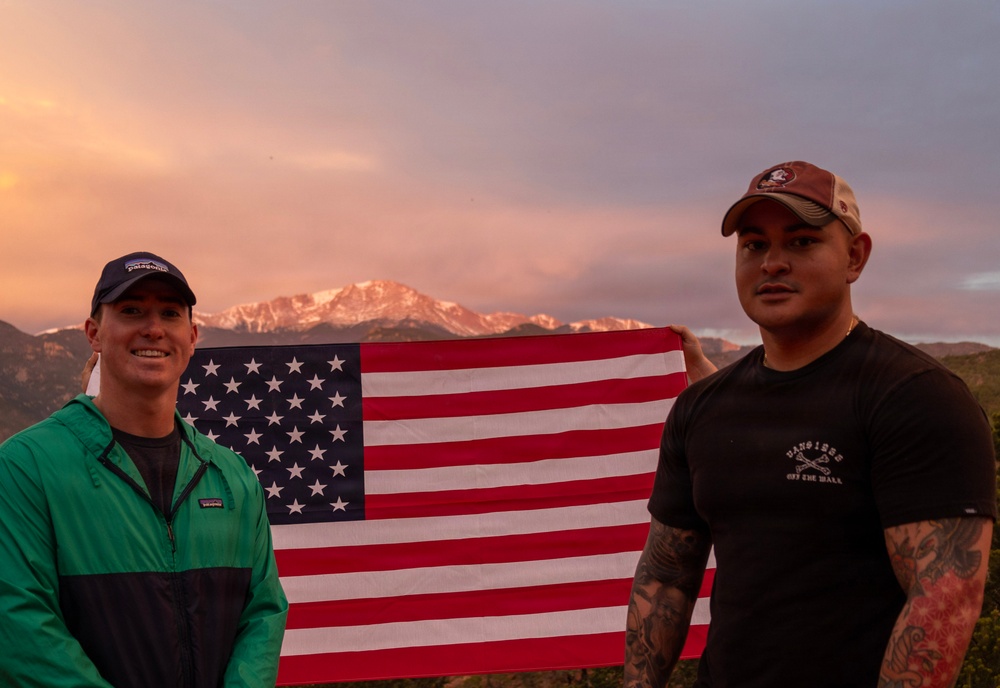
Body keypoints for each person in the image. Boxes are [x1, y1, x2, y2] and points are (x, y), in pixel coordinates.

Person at [624, 161, 997, 687]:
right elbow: (665, 577)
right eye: (754, 245)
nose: (772, 263)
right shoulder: (701, 408)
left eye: (800, 242)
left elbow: (943, 602)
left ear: (855, 257)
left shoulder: (917, 398)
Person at [0, 252, 288, 687]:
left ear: (191, 337)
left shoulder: (232, 476)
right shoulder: (25, 467)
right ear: (94, 333)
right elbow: (18, 622)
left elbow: (263, 613)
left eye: (169, 313)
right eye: (131, 310)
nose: (153, 327)